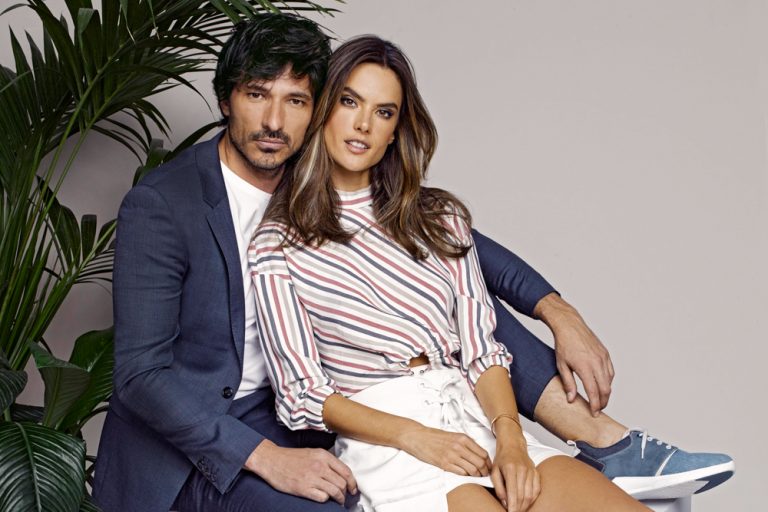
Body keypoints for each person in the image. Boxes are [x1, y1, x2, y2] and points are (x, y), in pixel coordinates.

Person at [93, 13, 732, 512]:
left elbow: (469, 256)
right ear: (226, 99)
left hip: (421, 406)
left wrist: (558, 312)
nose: (274, 121)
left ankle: (606, 442)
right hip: (209, 438)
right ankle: (601, 441)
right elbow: (142, 376)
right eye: (257, 95)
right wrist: (265, 455)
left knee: (456, 290)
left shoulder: (328, 181)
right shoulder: (169, 205)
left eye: (297, 101)